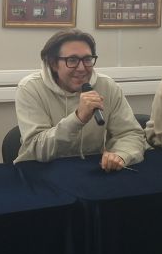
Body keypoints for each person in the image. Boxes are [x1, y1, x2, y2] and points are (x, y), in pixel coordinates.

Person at [14, 29, 145, 171]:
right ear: (53, 63)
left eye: (87, 59)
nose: (82, 68)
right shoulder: (30, 88)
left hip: (91, 168)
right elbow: (37, 149)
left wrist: (121, 155)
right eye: (72, 60)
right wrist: (78, 118)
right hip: (40, 170)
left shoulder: (107, 86)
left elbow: (130, 133)